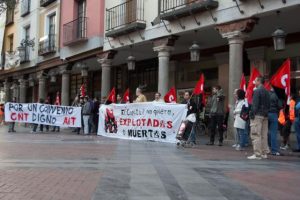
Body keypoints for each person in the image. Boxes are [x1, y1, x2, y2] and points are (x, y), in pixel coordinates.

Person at [248, 76, 270, 160]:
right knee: (264, 135)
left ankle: (257, 154)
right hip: (265, 115)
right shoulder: (267, 91)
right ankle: (264, 153)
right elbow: (268, 104)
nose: (254, 82)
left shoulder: (257, 91)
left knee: (256, 134)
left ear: (259, 81)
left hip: (257, 115)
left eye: (255, 80)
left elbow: (255, 104)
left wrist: (252, 113)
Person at [268, 86, 283, 156]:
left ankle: (267, 148)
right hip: (274, 113)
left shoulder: (267, 93)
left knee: (267, 132)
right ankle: (274, 150)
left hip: (266, 114)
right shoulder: (277, 95)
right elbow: (280, 105)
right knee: (273, 132)